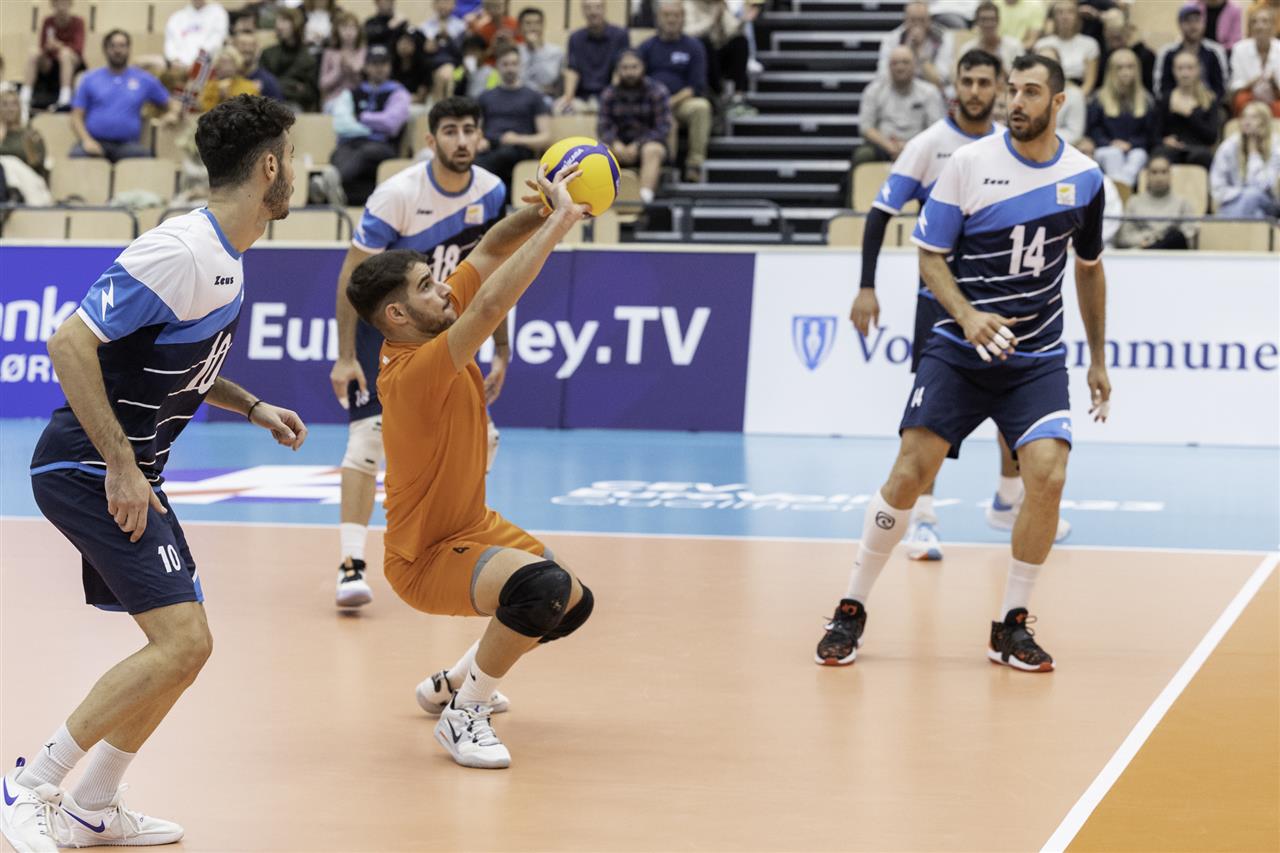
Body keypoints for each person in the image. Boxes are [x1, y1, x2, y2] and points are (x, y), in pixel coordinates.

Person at [0, 95, 304, 853]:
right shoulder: (182, 250)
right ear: (270, 166)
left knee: (186, 648)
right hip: (85, 465)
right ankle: (30, 785)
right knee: (182, 643)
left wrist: (252, 405)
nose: (296, 172)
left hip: (127, 470)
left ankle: (93, 804)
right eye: (293, 159)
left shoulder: (225, 258)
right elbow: (68, 342)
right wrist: (121, 466)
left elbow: (177, 362)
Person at [816, 54, 1111, 672]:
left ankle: (1011, 626)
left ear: (1059, 102)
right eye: (1013, 90)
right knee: (910, 472)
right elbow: (929, 256)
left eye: (1031, 92)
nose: (1016, 102)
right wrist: (969, 316)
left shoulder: (1085, 179)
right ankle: (851, 606)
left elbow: (1088, 269)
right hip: (958, 348)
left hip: (1034, 356)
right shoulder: (969, 163)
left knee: (1049, 475)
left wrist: (1097, 359)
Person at [343, 165, 592, 770]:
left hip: (474, 527)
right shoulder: (411, 372)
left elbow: (490, 248)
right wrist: (561, 224)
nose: (443, 291)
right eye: (427, 286)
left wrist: (540, 211)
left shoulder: (432, 315)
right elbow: (493, 304)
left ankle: (453, 682)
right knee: (540, 589)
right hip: (424, 558)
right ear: (397, 315)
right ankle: (466, 713)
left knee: (572, 602)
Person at [856, 50, 1056, 562]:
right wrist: (866, 287)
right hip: (940, 305)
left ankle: (1007, 500)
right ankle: (923, 519)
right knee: (931, 423)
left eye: (984, 82)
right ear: (955, 86)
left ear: (999, 88)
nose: (974, 91)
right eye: (967, 81)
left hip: (998, 302)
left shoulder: (1008, 146)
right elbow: (880, 215)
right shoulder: (929, 146)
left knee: (1015, 399)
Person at [328, 97, 509, 609]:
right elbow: (352, 278)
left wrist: (501, 348)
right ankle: (350, 564)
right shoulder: (397, 194)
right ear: (431, 140)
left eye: (469, 130)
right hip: (391, 331)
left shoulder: (492, 191)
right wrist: (346, 356)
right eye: (450, 131)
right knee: (367, 441)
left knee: (484, 438)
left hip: (447, 326)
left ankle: (456, 538)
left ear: (480, 137)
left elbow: (494, 274)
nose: (461, 140)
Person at [638, 1, 714, 181]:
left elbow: (696, 87)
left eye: (676, 15)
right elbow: (637, 79)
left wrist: (669, 102)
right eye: (667, 15)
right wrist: (658, 102)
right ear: (658, 18)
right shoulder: (646, 46)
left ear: (683, 18)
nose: (671, 20)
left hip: (681, 103)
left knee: (701, 107)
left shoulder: (694, 47)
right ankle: (666, 169)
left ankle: (694, 164)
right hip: (651, 104)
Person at [70, 30, 172, 162]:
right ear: (105, 50)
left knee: (146, 160)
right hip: (95, 142)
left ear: (129, 49)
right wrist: (86, 140)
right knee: (77, 156)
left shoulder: (144, 79)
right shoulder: (89, 79)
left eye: (122, 46)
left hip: (128, 145)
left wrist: (173, 113)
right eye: (113, 46)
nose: (117, 50)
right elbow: (76, 117)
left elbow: (171, 103)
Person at [328, 45, 411, 206]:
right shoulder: (353, 92)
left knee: (365, 153)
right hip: (351, 144)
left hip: (382, 146)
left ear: (390, 66)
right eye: (374, 64)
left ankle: (333, 182)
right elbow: (341, 124)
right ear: (366, 67)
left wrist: (361, 117)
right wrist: (372, 128)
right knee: (337, 154)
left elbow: (390, 124)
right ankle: (339, 192)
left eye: (383, 64)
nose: (379, 68)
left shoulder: (398, 92)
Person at [599, 49, 672, 204]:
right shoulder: (609, 94)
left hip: (648, 144)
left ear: (643, 67)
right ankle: (602, 199)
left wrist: (638, 145)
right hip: (618, 146)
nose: (630, 72)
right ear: (618, 70)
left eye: (634, 67)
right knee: (599, 151)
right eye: (625, 67)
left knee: (653, 149)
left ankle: (644, 200)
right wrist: (615, 143)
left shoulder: (658, 91)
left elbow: (662, 127)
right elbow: (603, 126)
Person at [476, 45, 551, 191]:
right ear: (497, 66)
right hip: (490, 148)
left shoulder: (534, 97)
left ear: (520, 65)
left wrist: (517, 139)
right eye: (505, 64)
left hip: (519, 149)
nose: (510, 68)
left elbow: (545, 137)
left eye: (514, 64)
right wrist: (479, 140)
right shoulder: (485, 97)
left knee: (502, 155)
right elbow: (475, 129)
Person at [855, 46, 947, 164]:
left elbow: (936, 129)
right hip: (883, 147)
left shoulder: (930, 92)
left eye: (905, 62)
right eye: (895, 63)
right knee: (862, 155)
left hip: (920, 148)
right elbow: (865, 127)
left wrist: (910, 147)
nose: (900, 67)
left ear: (915, 66)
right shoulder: (874, 91)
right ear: (888, 67)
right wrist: (889, 146)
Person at [1086, 48, 1156, 186]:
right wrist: (1110, 143)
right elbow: (1093, 129)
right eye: (1120, 68)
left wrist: (1132, 144)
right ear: (1111, 71)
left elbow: (1149, 134)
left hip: (1135, 149)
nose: (1125, 72)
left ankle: (1119, 190)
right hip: (1106, 148)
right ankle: (1122, 190)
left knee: (1138, 156)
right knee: (1113, 154)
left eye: (1130, 67)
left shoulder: (1146, 100)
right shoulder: (1098, 98)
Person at [1113, 152, 1199, 248]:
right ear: (1147, 175)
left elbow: (1189, 235)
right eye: (1154, 172)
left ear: (1171, 175)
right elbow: (1124, 237)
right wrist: (1148, 239)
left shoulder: (1182, 203)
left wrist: (1161, 239)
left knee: (1175, 237)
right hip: (1143, 251)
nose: (1159, 177)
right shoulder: (1134, 202)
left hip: (1173, 253)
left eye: (1164, 172)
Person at [1155, 50, 1224, 168]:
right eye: (1180, 68)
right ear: (1173, 70)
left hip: (1198, 149)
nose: (1185, 73)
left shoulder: (1209, 99)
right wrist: (1163, 141)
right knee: (1159, 156)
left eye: (1190, 68)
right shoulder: (1165, 99)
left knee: (1202, 156)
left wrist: (1189, 115)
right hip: (1171, 149)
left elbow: (1211, 137)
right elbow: (1154, 134)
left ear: (1198, 70)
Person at [1210, 100, 1280, 215]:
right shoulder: (1229, 146)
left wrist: (1254, 154)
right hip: (1234, 201)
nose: (1247, 122)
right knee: (1257, 214)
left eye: (1254, 118)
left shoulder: (1276, 146)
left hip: (1268, 202)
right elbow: (1217, 186)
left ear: (1264, 122)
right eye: (1244, 117)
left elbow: (1266, 185)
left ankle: (1230, 223)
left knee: (1252, 195)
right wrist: (1241, 194)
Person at [559, 0, 630, 113]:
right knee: (559, 109)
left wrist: (612, 97)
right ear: (583, 11)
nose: (593, 12)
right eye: (588, 8)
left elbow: (620, 70)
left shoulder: (620, 35)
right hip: (581, 96)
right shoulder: (575, 38)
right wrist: (568, 99)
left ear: (605, 9)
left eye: (598, 7)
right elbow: (572, 70)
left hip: (609, 94)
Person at [685, 0, 752, 111]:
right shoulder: (689, 4)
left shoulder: (720, 5)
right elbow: (688, 33)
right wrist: (712, 21)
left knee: (740, 41)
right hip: (699, 56)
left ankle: (738, 95)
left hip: (719, 53)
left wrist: (744, 20)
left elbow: (732, 29)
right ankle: (717, 92)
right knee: (705, 43)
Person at [22, 0, 85, 114]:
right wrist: (48, 47)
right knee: (33, 52)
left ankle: (65, 97)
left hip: (71, 61)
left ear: (70, 4)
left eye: (64, 3)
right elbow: (42, 46)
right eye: (58, 3)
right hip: (51, 62)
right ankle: (25, 95)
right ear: (52, 5)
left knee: (65, 54)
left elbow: (78, 49)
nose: (61, 7)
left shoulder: (78, 22)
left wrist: (59, 45)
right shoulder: (48, 21)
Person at [1154, 4, 1229, 98]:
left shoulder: (1216, 51)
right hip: (1174, 103)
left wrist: (1208, 102)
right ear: (1179, 24)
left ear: (1204, 23)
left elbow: (1221, 87)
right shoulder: (1167, 52)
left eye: (1197, 20)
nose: (1193, 26)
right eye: (1188, 21)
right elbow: (1161, 88)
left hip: (1209, 102)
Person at [877, 1, 951, 87]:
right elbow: (883, 75)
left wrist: (920, 52)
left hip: (932, 90)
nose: (917, 25)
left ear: (929, 20)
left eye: (922, 20)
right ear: (905, 20)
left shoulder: (943, 38)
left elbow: (942, 80)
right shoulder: (891, 39)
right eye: (913, 20)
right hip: (898, 88)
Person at [1035, 0, 1099, 95]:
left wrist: (1077, 98)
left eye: (1070, 12)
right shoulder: (1042, 44)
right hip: (1049, 91)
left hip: (1078, 91)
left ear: (1077, 16)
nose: (1065, 17)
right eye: (1060, 12)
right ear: (1053, 17)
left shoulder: (1090, 44)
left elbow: (1089, 83)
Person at [261, 7, 319, 111]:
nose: (279, 26)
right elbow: (263, 84)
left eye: (284, 20)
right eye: (278, 21)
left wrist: (278, 84)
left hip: (294, 104)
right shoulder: (268, 53)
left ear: (296, 24)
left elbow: (310, 93)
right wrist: (293, 86)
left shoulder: (308, 57)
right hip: (269, 102)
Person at [1229, 6, 1280, 115]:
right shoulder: (1239, 49)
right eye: (1254, 22)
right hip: (1250, 95)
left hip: (1276, 97)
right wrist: (1252, 83)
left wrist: (1274, 83)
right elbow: (1235, 85)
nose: (1259, 26)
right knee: (1241, 99)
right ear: (1250, 27)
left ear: (1273, 26)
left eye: (1265, 21)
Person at [953, 2, 1024, 73]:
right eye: (984, 20)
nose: (988, 24)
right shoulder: (968, 49)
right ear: (977, 22)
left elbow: (1022, 74)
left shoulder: (1014, 46)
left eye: (992, 19)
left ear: (998, 21)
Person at [1036, 44, 1086, 143]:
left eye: (1050, 62)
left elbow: (1074, 133)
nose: (1045, 67)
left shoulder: (1074, 94)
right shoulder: (1023, 92)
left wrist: (1039, 137)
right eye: (1040, 63)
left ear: (1059, 67)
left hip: (1058, 146)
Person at [1099, 7, 1156, 94]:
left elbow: (1149, 88)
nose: (1115, 44)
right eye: (1111, 39)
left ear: (1128, 31)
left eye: (1118, 38)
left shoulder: (1145, 55)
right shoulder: (1105, 56)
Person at [320, 10, 368, 107]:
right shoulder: (330, 53)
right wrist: (339, 70)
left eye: (352, 27)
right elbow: (323, 84)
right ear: (337, 30)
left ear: (358, 31)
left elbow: (366, 81)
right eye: (344, 27)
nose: (348, 32)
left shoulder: (363, 52)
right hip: (334, 99)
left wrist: (352, 69)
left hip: (358, 98)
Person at [164, 0, 229, 70]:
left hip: (206, 64)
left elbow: (216, 40)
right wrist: (175, 59)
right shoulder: (177, 17)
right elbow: (170, 43)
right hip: (179, 65)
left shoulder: (218, 13)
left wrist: (197, 61)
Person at [422, 0, 466, 103]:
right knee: (444, 73)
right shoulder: (425, 27)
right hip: (432, 65)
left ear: (454, 5)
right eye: (440, 2)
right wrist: (429, 46)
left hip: (455, 65)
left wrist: (449, 38)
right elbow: (423, 53)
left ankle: (442, 104)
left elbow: (461, 52)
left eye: (447, 2)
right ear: (434, 5)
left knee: (446, 73)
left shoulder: (461, 26)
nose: (444, 6)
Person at [517, 6, 564, 99]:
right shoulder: (515, 51)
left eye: (537, 23)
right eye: (528, 23)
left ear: (543, 26)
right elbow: (517, 79)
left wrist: (536, 49)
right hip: (519, 97)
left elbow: (548, 79)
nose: (533, 28)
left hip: (546, 98)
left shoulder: (556, 52)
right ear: (520, 27)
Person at [198, 46, 260, 111]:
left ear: (237, 65)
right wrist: (220, 97)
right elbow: (206, 110)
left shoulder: (248, 86)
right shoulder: (210, 86)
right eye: (223, 63)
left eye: (230, 63)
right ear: (217, 66)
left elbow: (251, 109)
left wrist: (228, 97)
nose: (227, 67)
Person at [233, 30, 284, 102]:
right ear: (233, 47)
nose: (247, 49)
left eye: (252, 45)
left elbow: (278, 106)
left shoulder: (267, 81)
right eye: (243, 44)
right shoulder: (224, 77)